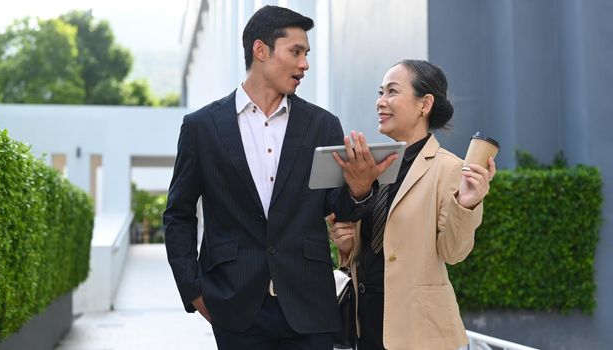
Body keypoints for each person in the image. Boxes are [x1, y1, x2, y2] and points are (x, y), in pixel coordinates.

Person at [163, 6, 394, 350]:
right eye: (296, 52)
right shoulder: (201, 127)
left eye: (307, 54)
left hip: (309, 306)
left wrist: (360, 189)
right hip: (235, 305)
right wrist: (194, 290)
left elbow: (336, 206)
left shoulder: (323, 125)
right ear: (261, 50)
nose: (305, 64)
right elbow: (177, 214)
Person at [328, 60, 497, 350]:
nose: (381, 102)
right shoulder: (371, 167)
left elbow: (453, 252)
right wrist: (346, 247)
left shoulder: (449, 168)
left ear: (425, 104)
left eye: (392, 92)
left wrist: (465, 206)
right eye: (380, 93)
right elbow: (373, 248)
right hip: (365, 322)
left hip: (420, 332)